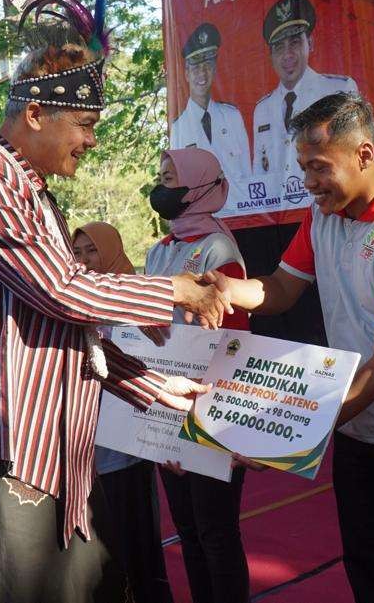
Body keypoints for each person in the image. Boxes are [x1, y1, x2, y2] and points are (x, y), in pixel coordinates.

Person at [0, 0, 229, 603]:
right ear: (35, 115)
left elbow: (66, 328)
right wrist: (174, 290)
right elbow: (59, 291)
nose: (91, 141)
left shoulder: (33, 193)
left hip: (54, 440)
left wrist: (155, 387)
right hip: (4, 444)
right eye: (85, 124)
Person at [208, 92, 374, 603]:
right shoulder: (321, 216)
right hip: (356, 426)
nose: (309, 181)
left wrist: (284, 435)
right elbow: (280, 290)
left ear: (364, 155)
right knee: (367, 568)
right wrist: (222, 289)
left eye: (319, 166)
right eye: (304, 166)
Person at [145, 148, 251, 603]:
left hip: (211, 411)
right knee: (188, 532)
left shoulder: (217, 248)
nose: (162, 187)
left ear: (200, 185)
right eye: (162, 176)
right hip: (167, 402)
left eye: (172, 178)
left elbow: (232, 343)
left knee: (215, 533)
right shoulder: (159, 250)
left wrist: (202, 430)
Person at [70, 221, 175, 603]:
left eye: (92, 251)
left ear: (112, 250)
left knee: (139, 549)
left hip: (128, 453)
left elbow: (165, 369)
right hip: (85, 454)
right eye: (76, 253)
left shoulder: (133, 304)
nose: (83, 261)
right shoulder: (75, 306)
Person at [252, 0, 357, 180]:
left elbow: (353, 159)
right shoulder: (262, 109)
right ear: (270, 57)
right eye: (278, 47)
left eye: (294, 42)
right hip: (281, 208)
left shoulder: (338, 91)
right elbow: (260, 174)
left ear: (310, 43)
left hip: (328, 205)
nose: (287, 55)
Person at [170, 23, 251, 198]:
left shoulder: (232, 116)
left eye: (207, 66)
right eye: (196, 67)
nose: (202, 73)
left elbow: (247, 172)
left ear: (214, 70)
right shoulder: (178, 128)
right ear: (186, 74)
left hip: (242, 214)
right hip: (203, 219)